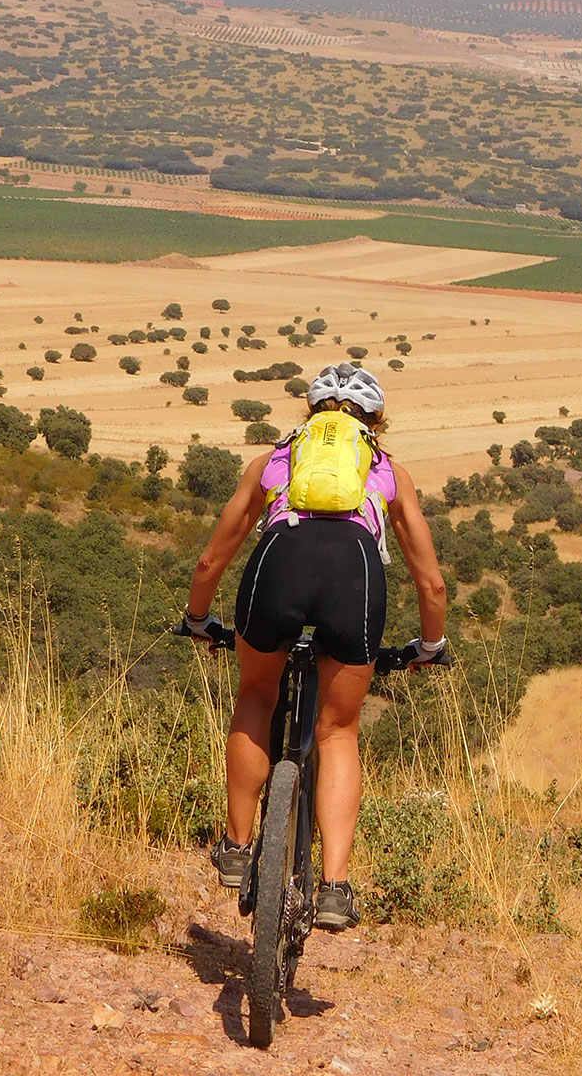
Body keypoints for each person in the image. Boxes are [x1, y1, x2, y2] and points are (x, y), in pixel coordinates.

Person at [176, 363, 450, 930]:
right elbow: (432, 582)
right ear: (376, 420)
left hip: (280, 563)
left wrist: (198, 618)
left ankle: (235, 846)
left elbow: (211, 559)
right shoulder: (388, 472)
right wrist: (430, 644)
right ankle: (334, 886)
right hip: (354, 577)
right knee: (338, 730)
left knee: (255, 695)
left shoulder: (272, 463)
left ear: (311, 413)